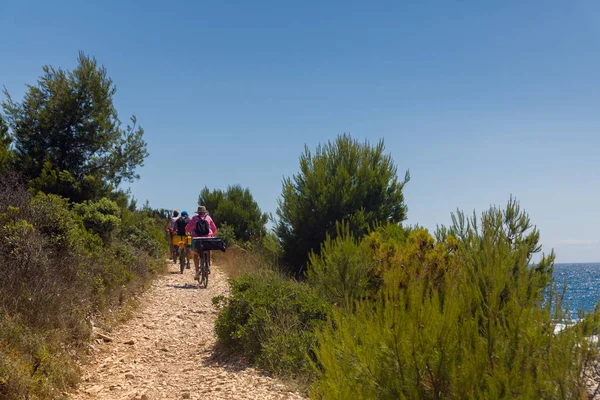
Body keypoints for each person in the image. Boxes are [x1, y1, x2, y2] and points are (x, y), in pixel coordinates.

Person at [185, 206, 217, 280]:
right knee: (209, 247)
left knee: (196, 254)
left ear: (198, 212)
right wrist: (211, 234)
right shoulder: (209, 218)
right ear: (205, 212)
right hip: (208, 238)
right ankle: (209, 261)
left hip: (197, 239)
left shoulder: (194, 218)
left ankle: (197, 272)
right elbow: (214, 229)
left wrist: (188, 233)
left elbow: (187, 228)